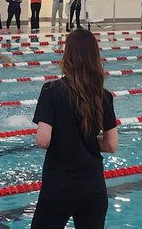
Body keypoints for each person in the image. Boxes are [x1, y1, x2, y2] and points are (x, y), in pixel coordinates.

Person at [31, 29, 118, 229]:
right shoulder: (104, 96)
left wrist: (67, 138)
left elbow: (43, 140)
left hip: (59, 187)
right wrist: (84, 139)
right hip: (94, 188)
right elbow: (111, 145)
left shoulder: (51, 91)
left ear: (67, 55)